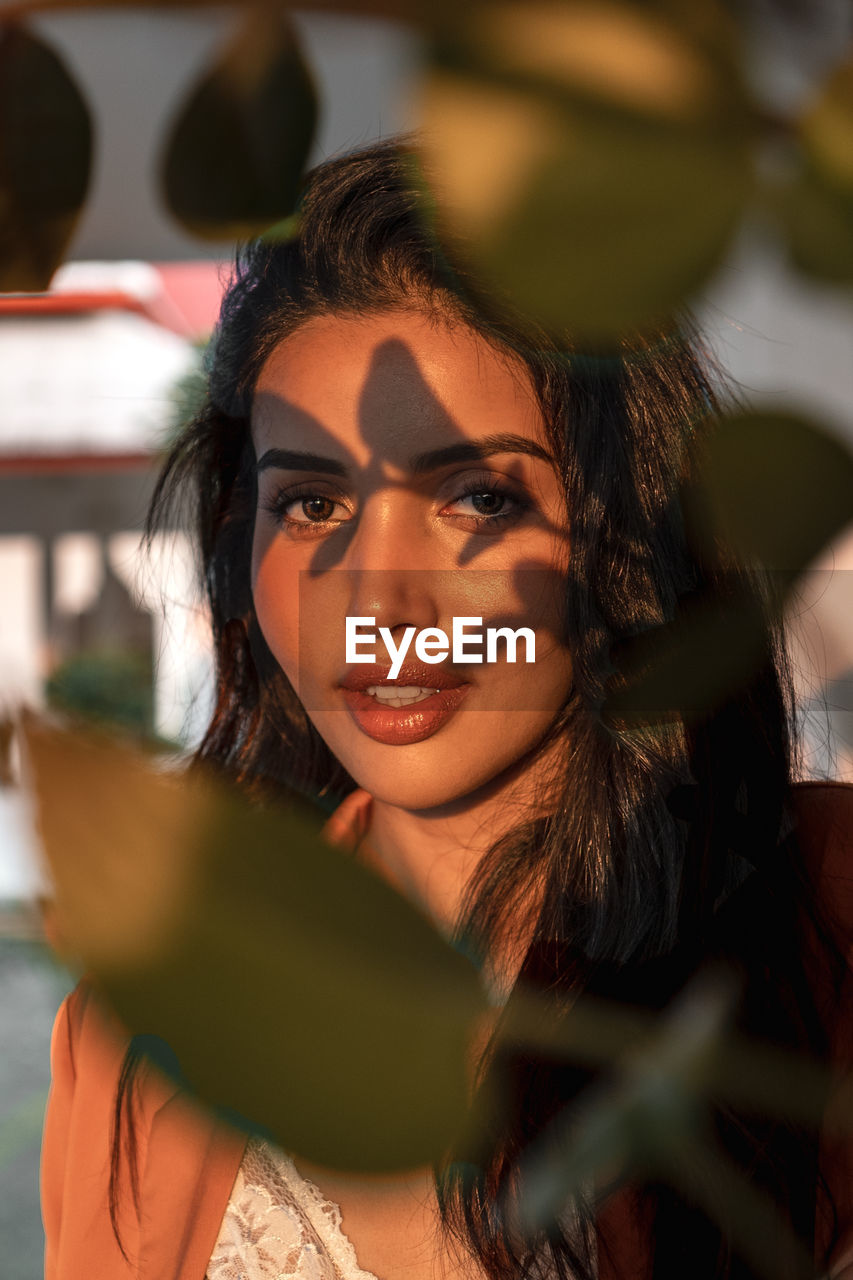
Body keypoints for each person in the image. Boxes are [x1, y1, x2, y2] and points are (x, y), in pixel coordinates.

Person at [41, 138, 853, 1280]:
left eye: (476, 495)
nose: (381, 597)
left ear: (627, 538)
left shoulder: (819, 908)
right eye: (313, 502)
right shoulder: (144, 1031)